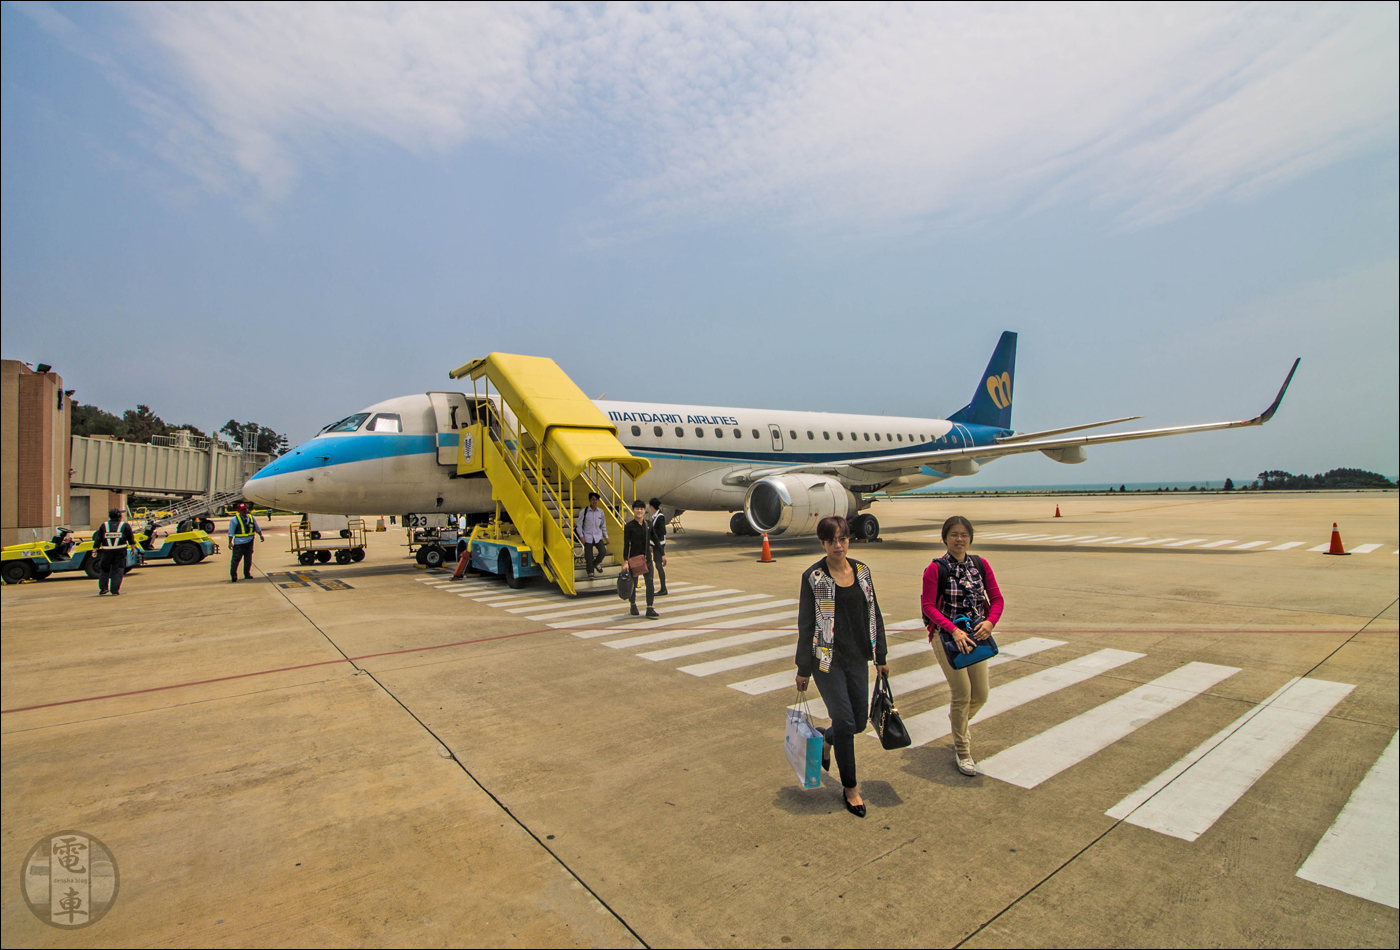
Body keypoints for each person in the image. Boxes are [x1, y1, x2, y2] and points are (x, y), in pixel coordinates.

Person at [795, 515, 888, 817]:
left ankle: (827, 738)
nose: (838, 545)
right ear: (822, 543)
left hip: (858, 657)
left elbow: (874, 613)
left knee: (859, 722)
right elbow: (806, 624)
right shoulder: (814, 577)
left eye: (843, 538)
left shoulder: (862, 571)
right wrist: (802, 668)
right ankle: (850, 787)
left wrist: (881, 657)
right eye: (832, 540)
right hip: (826, 661)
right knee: (846, 721)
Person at [920, 515, 1004, 776]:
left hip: (975, 636)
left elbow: (997, 598)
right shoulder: (936, 569)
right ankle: (963, 749)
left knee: (981, 694)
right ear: (945, 538)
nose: (959, 539)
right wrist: (953, 630)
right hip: (947, 638)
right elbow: (928, 607)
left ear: (970, 538)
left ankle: (958, 724)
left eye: (964, 535)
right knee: (962, 694)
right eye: (954, 534)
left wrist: (990, 623)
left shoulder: (980, 564)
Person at [622, 499, 658, 618]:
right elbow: (626, 545)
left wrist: (662, 553)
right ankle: (633, 604)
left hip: (647, 558)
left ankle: (649, 607)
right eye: (637, 508)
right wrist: (625, 561)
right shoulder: (629, 526)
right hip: (634, 559)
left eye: (641, 509)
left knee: (650, 582)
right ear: (633, 510)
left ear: (644, 510)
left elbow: (655, 539)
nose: (639, 511)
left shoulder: (648, 524)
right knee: (634, 583)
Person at [91, 508, 136, 596]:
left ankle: (103, 588)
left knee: (104, 569)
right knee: (118, 570)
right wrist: (133, 548)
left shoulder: (104, 525)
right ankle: (115, 591)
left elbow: (98, 538)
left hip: (107, 551)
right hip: (120, 551)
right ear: (119, 516)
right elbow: (130, 538)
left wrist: (95, 550)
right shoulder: (125, 525)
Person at [228, 502, 266, 582]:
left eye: (245, 509)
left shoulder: (251, 518)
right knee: (236, 559)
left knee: (248, 559)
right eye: (242, 510)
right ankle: (234, 575)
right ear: (239, 511)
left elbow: (257, 527)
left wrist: (261, 535)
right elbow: (231, 532)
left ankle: (247, 574)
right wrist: (230, 542)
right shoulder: (234, 520)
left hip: (249, 542)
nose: (244, 511)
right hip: (239, 543)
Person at [575, 492, 609, 578]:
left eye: (596, 500)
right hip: (587, 537)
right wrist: (581, 536)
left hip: (597, 536)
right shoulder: (584, 511)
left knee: (602, 551)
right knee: (588, 556)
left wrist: (606, 537)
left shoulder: (600, 512)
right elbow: (579, 525)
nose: (595, 501)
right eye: (593, 499)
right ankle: (590, 572)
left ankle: (595, 563)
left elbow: (603, 526)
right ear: (589, 500)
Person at [647, 498, 669, 595]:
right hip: (657, 544)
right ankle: (663, 588)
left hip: (660, 544)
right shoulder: (655, 516)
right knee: (658, 565)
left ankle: (663, 588)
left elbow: (662, 531)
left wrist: (652, 542)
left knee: (659, 566)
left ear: (651, 506)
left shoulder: (660, 517)